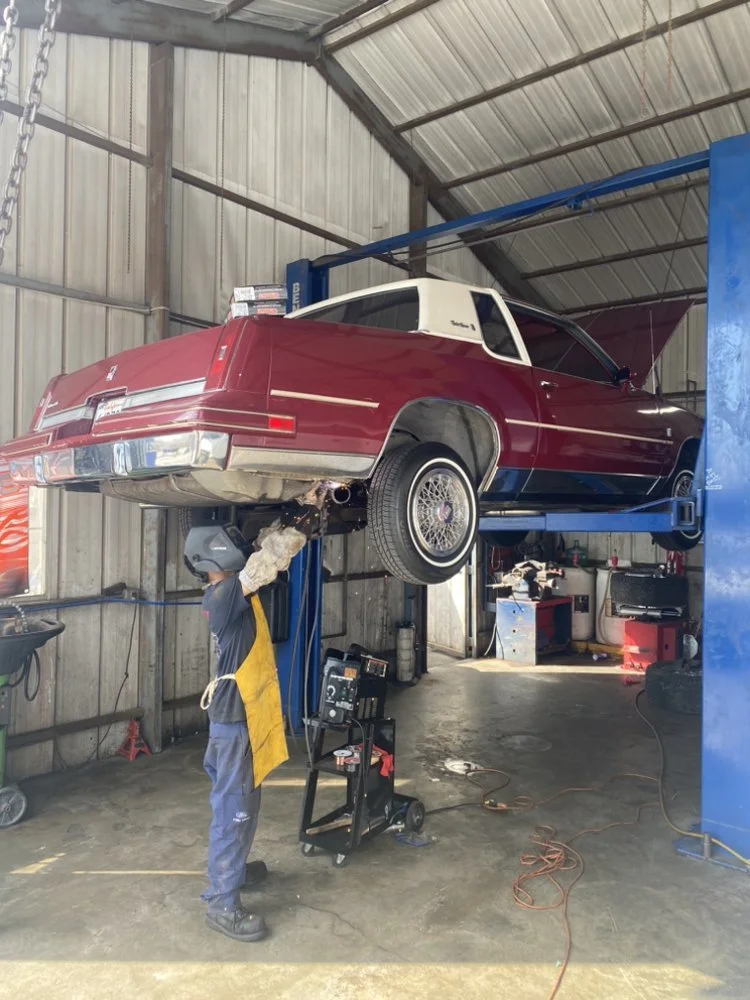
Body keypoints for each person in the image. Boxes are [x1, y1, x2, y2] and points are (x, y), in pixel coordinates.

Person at [186, 522, 306, 943]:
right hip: (234, 725)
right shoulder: (222, 596)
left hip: (239, 721)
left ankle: (233, 870)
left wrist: (265, 537)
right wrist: (289, 535)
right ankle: (222, 903)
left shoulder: (234, 593)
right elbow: (262, 568)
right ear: (213, 557)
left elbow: (254, 572)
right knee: (234, 811)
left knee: (243, 802)